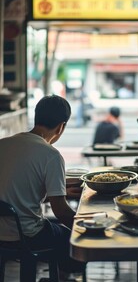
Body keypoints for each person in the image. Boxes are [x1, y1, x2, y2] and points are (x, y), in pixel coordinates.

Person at [0, 95, 85, 281]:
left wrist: (53, 194)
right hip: (27, 236)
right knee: (75, 244)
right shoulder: (51, 155)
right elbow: (61, 211)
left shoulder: (3, 144)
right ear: (61, 126)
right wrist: (85, 228)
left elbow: (15, 193)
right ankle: (61, 276)